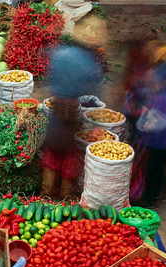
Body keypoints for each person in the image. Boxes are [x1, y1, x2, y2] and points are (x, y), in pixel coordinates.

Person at [41, 35, 103, 200]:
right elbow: (91, 87)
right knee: (68, 152)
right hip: (70, 110)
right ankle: (65, 194)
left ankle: (47, 193)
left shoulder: (62, 55)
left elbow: (52, 78)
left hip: (58, 108)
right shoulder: (85, 61)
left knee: (53, 150)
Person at [125, 42, 166, 206]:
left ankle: (149, 198)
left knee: (153, 170)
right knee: (158, 167)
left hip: (159, 142)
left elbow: (155, 123)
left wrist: (140, 120)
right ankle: (155, 191)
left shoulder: (165, 97)